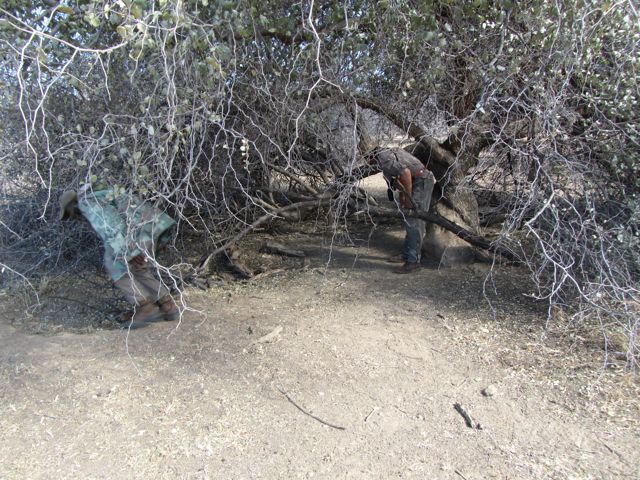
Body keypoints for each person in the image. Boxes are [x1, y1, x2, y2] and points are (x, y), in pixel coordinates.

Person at [59, 186, 180, 327]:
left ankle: (145, 307)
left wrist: (130, 251)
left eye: (68, 213)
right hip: (150, 225)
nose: (72, 217)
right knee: (138, 268)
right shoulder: (98, 195)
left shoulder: (87, 203)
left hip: (138, 229)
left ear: (71, 205)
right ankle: (167, 305)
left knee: (115, 266)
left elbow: (111, 226)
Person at [369, 147, 435, 273]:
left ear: (369, 155)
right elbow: (399, 179)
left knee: (414, 221)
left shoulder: (383, 158)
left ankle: (413, 262)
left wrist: (408, 198)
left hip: (421, 182)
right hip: (417, 181)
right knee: (409, 220)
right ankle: (408, 254)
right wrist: (403, 199)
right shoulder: (386, 155)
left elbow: (405, 173)